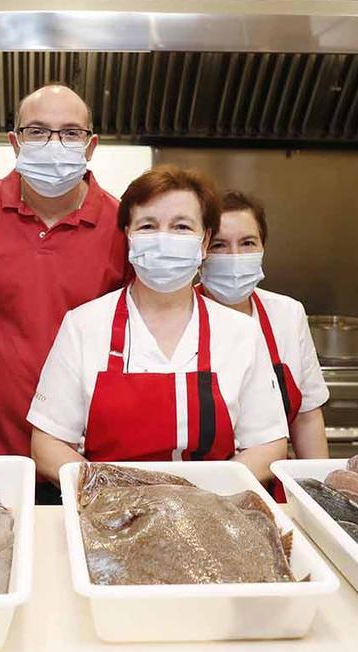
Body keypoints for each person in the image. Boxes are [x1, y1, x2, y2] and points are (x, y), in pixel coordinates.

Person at [27, 166, 289, 491]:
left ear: (204, 240)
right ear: (128, 236)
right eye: (148, 226)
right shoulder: (83, 326)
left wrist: (205, 497)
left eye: (181, 226)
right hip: (108, 517)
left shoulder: (240, 333)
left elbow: (268, 446)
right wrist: (107, 494)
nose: (164, 238)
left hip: (211, 515)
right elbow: (47, 445)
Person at [0, 84, 129, 468]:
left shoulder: (122, 224)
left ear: (90, 147)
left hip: (87, 453)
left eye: (71, 133)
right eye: (37, 131)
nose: (54, 144)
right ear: (15, 141)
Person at [199, 190, 329, 472]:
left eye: (247, 243)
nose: (235, 256)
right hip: (201, 487)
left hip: (275, 486)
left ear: (263, 247)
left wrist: (318, 489)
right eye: (219, 245)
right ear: (201, 251)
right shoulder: (177, 316)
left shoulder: (287, 314)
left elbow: (306, 417)